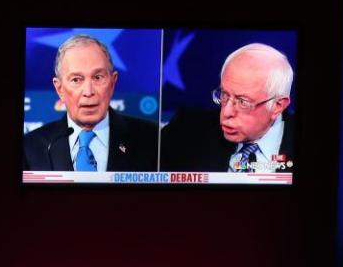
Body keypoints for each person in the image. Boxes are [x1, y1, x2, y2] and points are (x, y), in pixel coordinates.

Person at [23, 33, 157, 171]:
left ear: (112, 83)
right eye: (76, 79)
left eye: (98, 77)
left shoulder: (153, 139)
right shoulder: (32, 147)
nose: (88, 91)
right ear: (60, 89)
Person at [160, 43, 295, 172]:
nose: (226, 112)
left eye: (243, 102)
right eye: (224, 95)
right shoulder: (185, 131)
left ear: (278, 105)